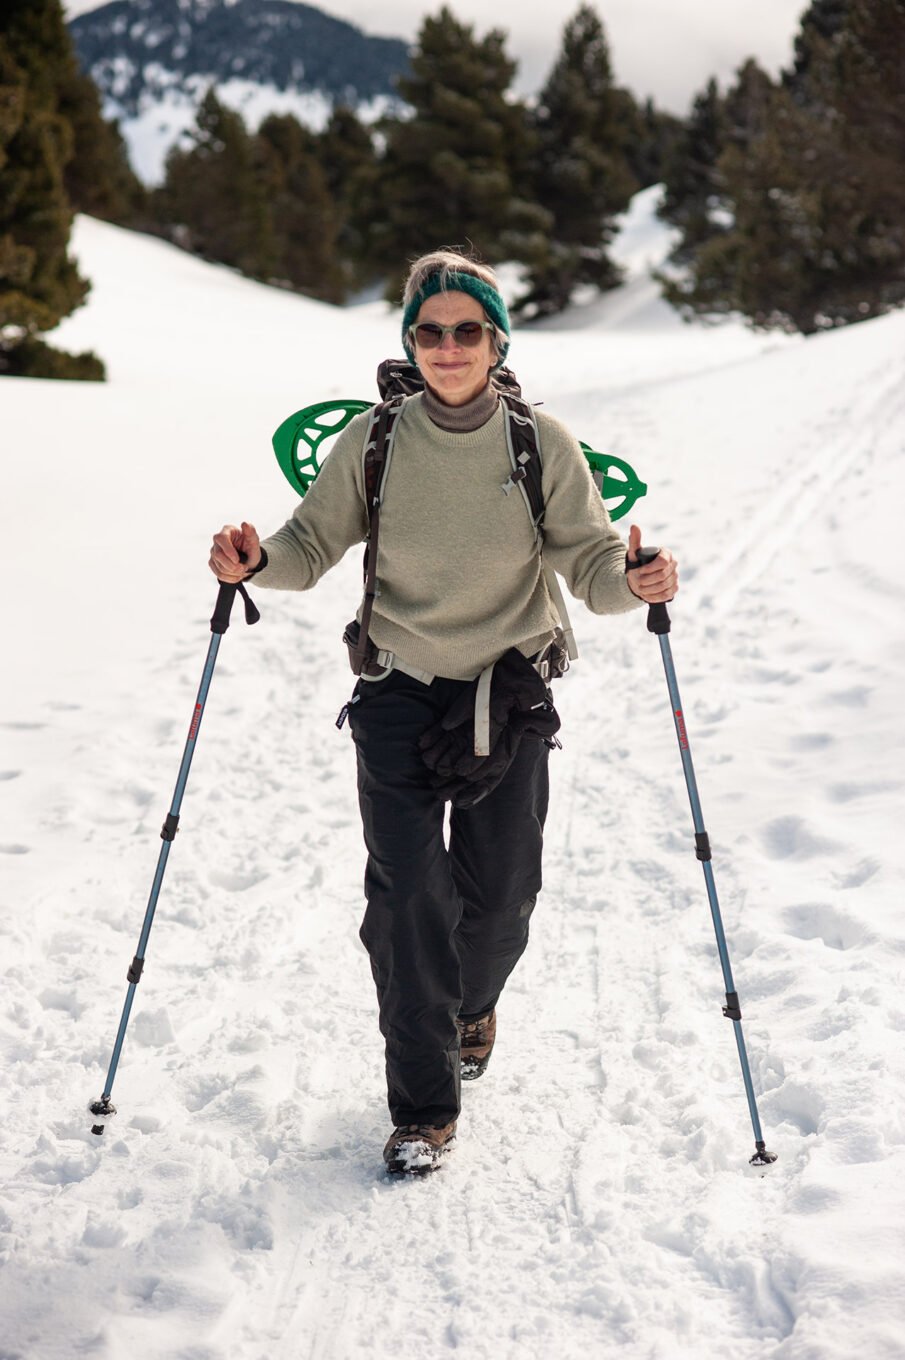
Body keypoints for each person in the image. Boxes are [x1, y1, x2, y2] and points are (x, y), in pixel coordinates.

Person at [209, 250, 678, 1177]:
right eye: (431, 331)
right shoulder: (375, 442)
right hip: (395, 690)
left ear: (496, 340)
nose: (449, 346)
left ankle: (471, 1004)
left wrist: (632, 581)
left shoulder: (539, 442)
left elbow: (588, 566)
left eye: (468, 330)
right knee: (406, 900)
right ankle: (424, 1108)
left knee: (500, 901)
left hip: (507, 692)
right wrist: (255, 563)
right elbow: (310, 544)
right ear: (409, 343)